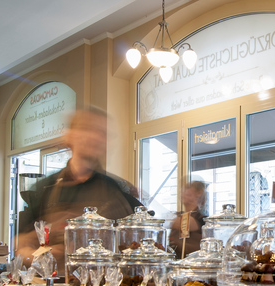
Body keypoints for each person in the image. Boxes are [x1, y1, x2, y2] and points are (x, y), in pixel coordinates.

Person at [15, 108, 142, 275]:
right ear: (69, 136)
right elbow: (21, 247)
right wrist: (43, 254)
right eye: (88, 129)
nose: (95, 137)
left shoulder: (117, 189)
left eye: (101, 133)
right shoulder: (45, 189)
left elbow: (136, 243)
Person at [168, 180, 207, 259]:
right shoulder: (179, 215)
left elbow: (183, 223)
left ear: (198, 193)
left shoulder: (201, 218)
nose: (183, 193)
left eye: (187, 191)